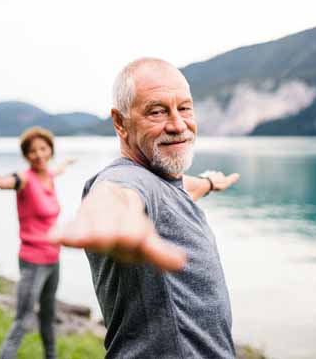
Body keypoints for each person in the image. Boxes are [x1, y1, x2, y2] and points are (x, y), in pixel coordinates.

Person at [49, 58, 240, 359]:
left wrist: (210, 182)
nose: (178, 125)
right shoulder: (126, 179)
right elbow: (116, 195)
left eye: (185, 108)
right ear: (120, 122)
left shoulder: (164, 182)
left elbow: (181, 188)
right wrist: (108, 218)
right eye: (157, 111)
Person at [0, 127, 75, 359]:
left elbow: (58, 169)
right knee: (23, 320)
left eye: (43, 149)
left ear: (50, 150)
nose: (38, 154)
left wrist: (67, 163)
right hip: (33, 261)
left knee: (48, 318)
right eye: (32, 151)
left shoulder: (48, 174)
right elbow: (3, 182)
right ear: (26, 155)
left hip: (53, 259)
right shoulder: (24, 179)